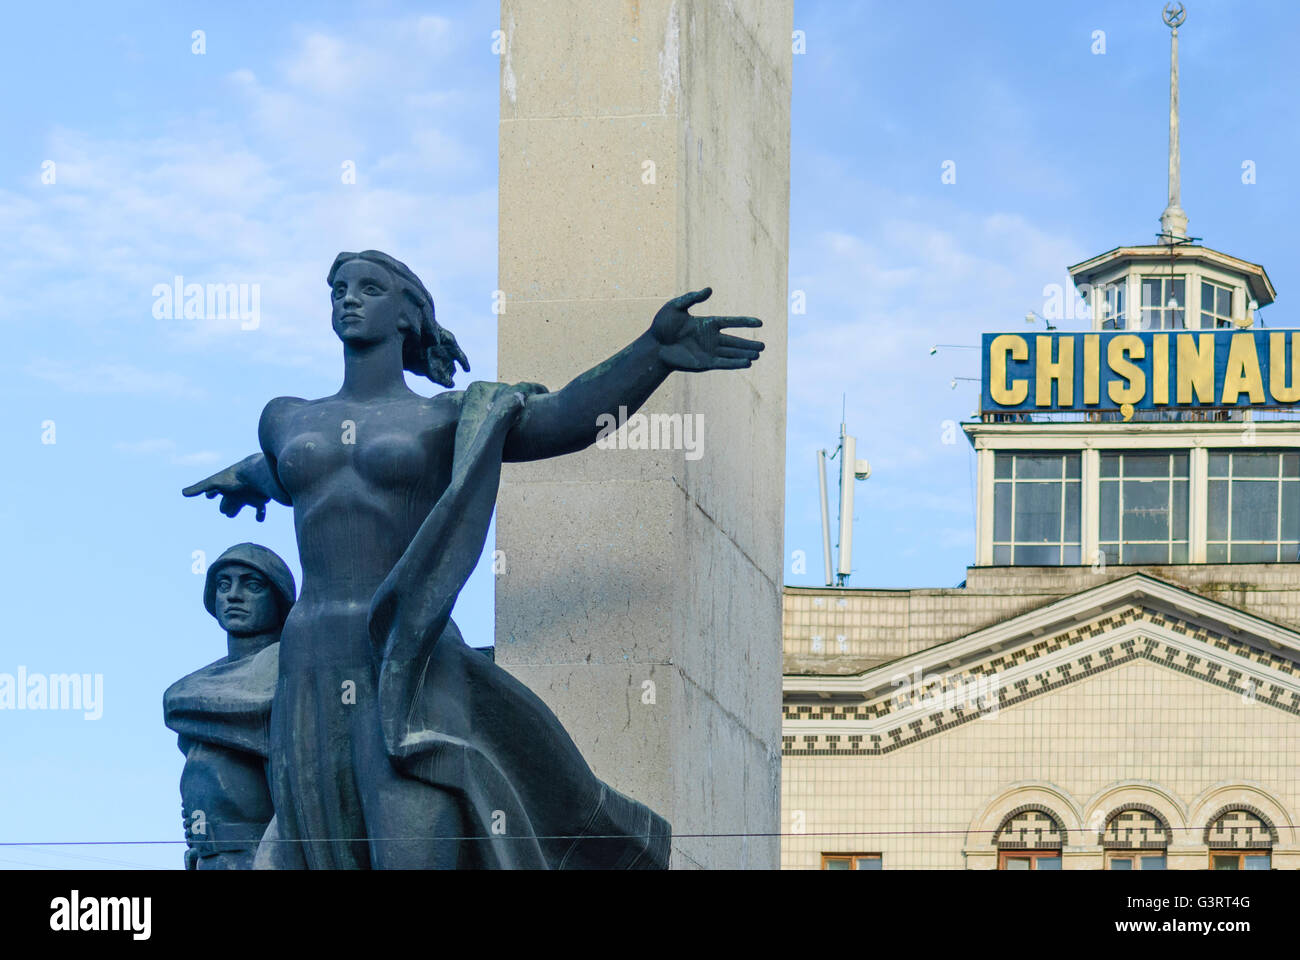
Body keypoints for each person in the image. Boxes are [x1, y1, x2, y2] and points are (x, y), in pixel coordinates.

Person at [183, 250, 764, 868]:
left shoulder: (451, 416)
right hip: (311, 661)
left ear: (408, 317)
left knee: (414, 834)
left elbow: (563, 420)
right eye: (339, 289)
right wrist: (246, 476)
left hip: (408, 654)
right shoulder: (285, 417)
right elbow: (291, 470)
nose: (347, 299)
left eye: (369, 289)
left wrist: (652, 354)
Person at [163, 543, 296, 869]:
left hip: (259, 856)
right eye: (223, 585)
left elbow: (296, 789)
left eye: (252, 585)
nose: (234, 595)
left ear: (278, 599)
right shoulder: (199, 684)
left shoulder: (288, 668)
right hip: (207, 856)